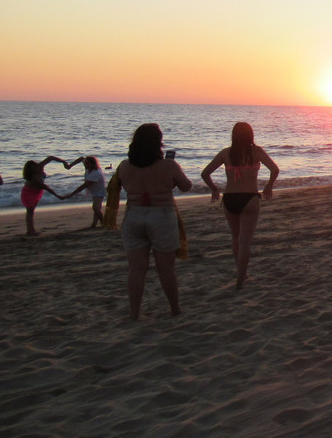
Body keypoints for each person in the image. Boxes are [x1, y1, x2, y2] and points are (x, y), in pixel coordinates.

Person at [113, 124, 193, 319]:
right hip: (162, 215)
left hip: (134, 215)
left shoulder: (124, 166)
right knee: (165, 269)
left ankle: (134, 313)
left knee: (136, 270)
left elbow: (117, 186)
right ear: (158, 143)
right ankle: (175, 309)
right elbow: (186, 186)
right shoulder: (168, 165)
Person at [201, 122, 280, 289]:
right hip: (250, 198)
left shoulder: (226, 153)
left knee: (235, 237)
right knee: (245, 241)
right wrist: (268, 186)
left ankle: (240, 273)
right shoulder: (256, 152)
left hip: (230, 198)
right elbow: (274, 169)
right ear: (250, 135)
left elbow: (205, 173)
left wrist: (214, 189)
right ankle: (241, 278)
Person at [20, 156, 70, 236]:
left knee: (31, 211)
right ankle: (30, 231)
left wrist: (63, 162)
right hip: (28, 193)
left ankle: (31, 230)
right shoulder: (33, 178)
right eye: (33, 168)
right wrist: (57, 196)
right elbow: (46, 187)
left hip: (37, 192)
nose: (36, 168)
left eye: (35, 166)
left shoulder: (40, 167)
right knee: (30, 212)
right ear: (30, 170)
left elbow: (50, 158)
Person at [64, 156, 107, 228]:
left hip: (99, 190)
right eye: (85, 163)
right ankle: (94, 224)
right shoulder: (88, 168)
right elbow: (81, 158)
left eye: (87, 164)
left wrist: (71, 194)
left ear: (93, 164)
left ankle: (104, 223)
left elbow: (83, 186)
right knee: (97, 208)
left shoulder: (96, 173)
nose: (85, 165)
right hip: (93, 189)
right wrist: (70, 165)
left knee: (96, 207)